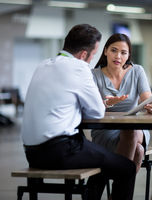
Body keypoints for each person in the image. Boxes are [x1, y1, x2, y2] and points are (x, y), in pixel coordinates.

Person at [21, 24, 136, 200]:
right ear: (84, 54)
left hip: (32, 153)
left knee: (103, 159)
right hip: (61, 151)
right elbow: (97, 112)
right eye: (93, 54)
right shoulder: (79, 67)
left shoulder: (43, 65)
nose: (91, 60)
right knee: (126, 168)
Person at [92, 33, 152, 172]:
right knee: (138, 150)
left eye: (123, 53)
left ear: (128, 56)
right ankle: (121, 190)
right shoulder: (94, 75)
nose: (118, 57)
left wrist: (151, 106)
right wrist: (108, 103)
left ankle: (117, 186)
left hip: (135, 128)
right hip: (105, 130)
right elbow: (92, 107)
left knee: (131, 131)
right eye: (114, 50)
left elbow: (147, 98)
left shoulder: (137, 71)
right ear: (105, 51)